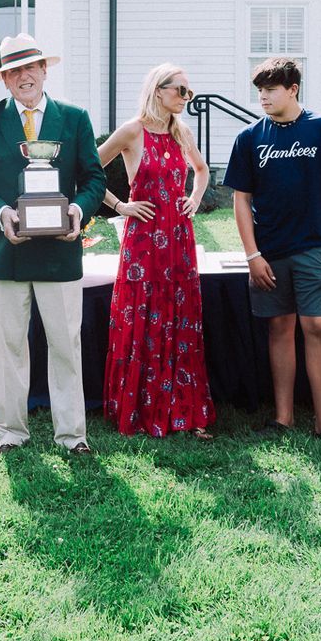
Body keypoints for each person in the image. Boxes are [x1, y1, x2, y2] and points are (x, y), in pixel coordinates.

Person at [0, 34, 106, 454]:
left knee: (65, 345)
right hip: (4, 252)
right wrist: (2, 213)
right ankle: (11, 432)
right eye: (14, 72)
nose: (23, 76)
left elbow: (95, 179)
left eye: (31, 68)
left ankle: (72, 435)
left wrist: (79, 211)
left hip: (59, 253)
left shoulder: (75, 117)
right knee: (7, 347)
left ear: (45, 71)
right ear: (5, 81)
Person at [222, 57, 321, 440]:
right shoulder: (249, 138)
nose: (263, 97)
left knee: (316, 325)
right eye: (259, 91)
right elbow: (241, 200)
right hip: (269, 251)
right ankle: (283, 418)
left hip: (315, 246)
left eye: (271, 90)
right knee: (279, 327)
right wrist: (252, 255)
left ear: (293, 89)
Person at [98, 63, 216, 439]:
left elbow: (202, 169)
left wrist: (194, 198)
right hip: (143, 239)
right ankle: (139, 410)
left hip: (178, 238)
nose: (186, 97)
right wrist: (120, 206)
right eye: (180, 90)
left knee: (179, 318)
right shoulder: (132, 131)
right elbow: (86, 170)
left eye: (188, 92)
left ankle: (184, 410)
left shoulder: (182, 132)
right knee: (142, 317)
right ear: (158, 90)